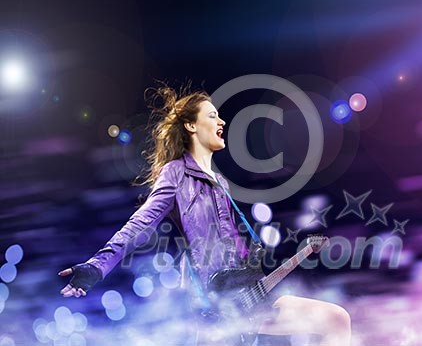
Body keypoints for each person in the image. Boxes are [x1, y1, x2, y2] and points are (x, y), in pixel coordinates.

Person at [58, 84, 351, 345]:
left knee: (336, 320)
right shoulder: (174, 173)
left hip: (251, 299)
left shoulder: (220, 182)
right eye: (212, 116)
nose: (222, 120)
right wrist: (96, 267)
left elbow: (233, 251)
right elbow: (140, 224)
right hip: (214, 310)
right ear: (190, 126)